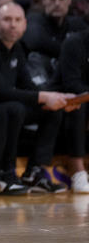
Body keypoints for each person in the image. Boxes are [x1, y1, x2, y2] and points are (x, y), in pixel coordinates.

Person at [0, 3, 72, 194]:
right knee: (14, 108)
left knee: (51, 111)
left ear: (25, 24)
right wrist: (42, 96)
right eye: (7, 20)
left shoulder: (16, 48)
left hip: (5, 107)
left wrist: (56, 98)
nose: (13, 25)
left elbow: (27, 86)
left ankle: (34, 172)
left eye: (17, 20)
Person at [54, 29, 89, 193]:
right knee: (78, 105)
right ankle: (78, 172)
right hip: (65, 98)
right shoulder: (74, 43)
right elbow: (71, 84)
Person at [23, 0, 87, 60]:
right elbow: (35, 42)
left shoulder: (76, 23)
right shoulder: (33, 20)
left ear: (69, 0)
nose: (57, 3)